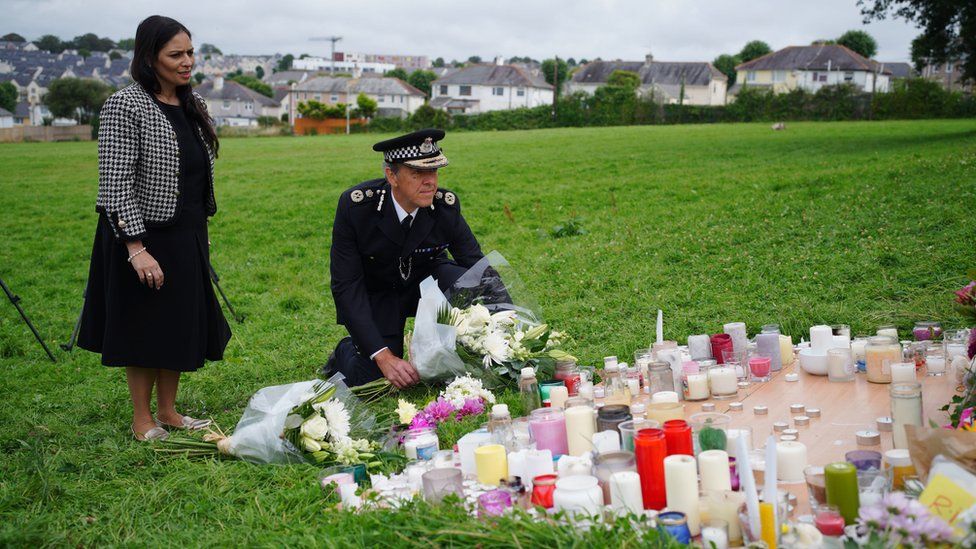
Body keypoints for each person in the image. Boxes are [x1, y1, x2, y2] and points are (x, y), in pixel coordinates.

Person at [77, 15, 231, 441]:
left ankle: (169, 412)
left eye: (190, 52)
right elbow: (115, 183)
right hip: (142, 234)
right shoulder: (125, 104)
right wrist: (135, 247)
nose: (187, 62)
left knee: (178, 323)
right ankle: (142, 419)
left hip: (186, 233)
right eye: (175, 54)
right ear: (149, 57)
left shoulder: (191, 102)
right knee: (144, 326)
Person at [323, 129, 485, 388]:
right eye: (417, 173)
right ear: (391, 176)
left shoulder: (444, 206)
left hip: (426, 288)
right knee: (374, 380)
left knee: (459, 279)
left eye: (433, 171)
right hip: (380, 293)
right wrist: (382, 355)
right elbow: (346, 285)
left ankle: (454, 347)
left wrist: (506, 325)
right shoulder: (357, 208)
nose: (430, 182)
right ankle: (346, 349)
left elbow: (477, 266)